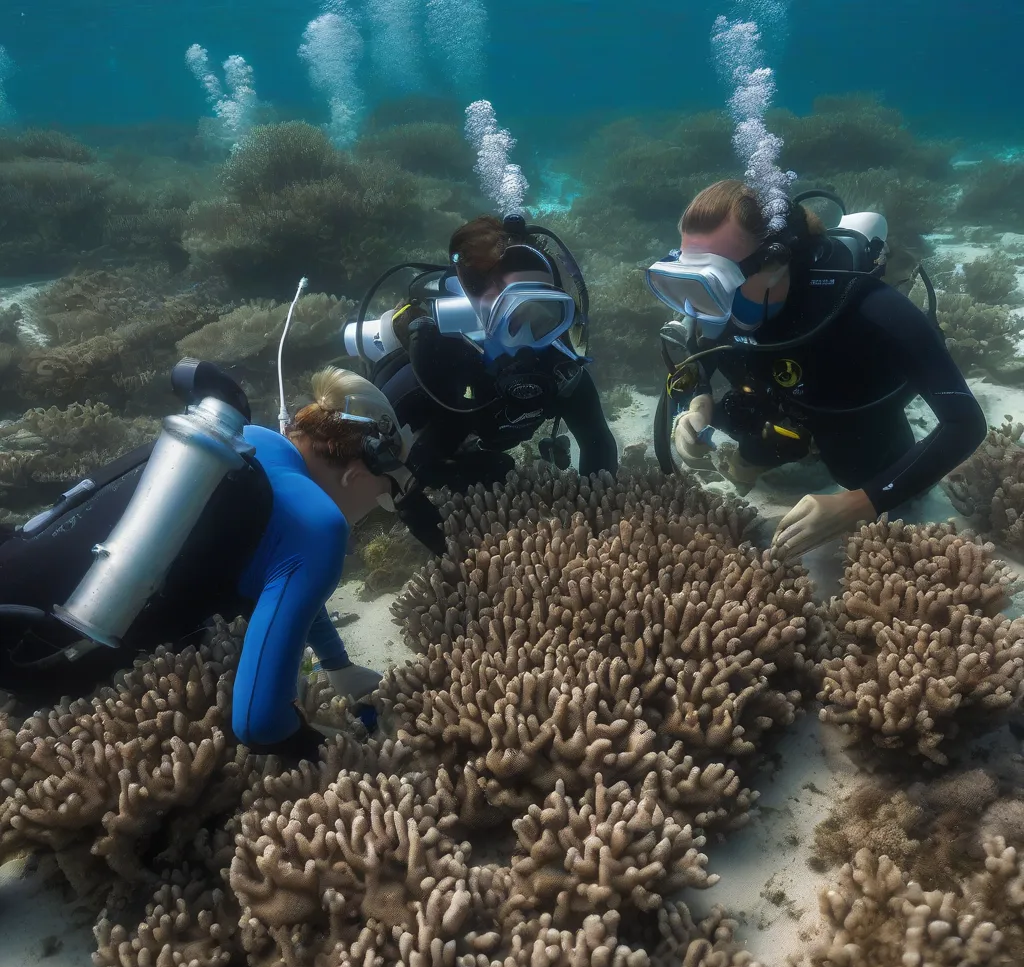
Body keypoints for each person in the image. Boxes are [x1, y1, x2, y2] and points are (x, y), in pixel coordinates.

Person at [0, 359, 406, 759]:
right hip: (33, 660)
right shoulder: (324, 525)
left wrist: (337, 665)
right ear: (357, 474)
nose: (375, 508)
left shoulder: (249, 439)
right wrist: (343, 753)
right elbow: (259, 724)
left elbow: (283, 571)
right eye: (383, 495)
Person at [645, 179, 987, 558]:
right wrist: (699, 403)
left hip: (850, 399)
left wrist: (860, 502)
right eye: (688, 280)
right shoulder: (723, 303)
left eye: (713, 283)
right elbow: (700, 353)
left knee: (859, 472)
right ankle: (783, 444)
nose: (696, 307)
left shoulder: (869, 307)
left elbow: (965, 423)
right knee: (739, 417)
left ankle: (827, 455)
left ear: (774, 263)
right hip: (777, 391)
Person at [345, 213, 619, 554]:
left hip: (481, 445)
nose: (529, 343)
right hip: (442, 451)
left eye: (545, 316)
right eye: (511, 319)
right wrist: (460, 562)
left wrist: (597, 529)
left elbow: (598, 443)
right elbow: (390, 477)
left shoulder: (562, 370)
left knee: (499, 471)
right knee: (487, 471)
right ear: (476, 314)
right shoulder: (433, 371)